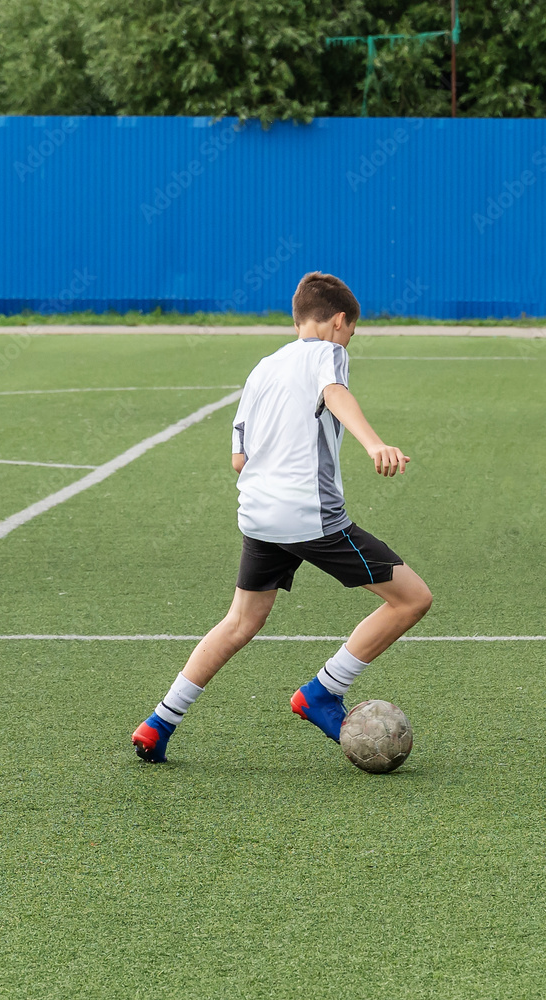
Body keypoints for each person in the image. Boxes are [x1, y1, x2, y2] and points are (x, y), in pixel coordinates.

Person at [131, 271, 432, 763]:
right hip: (310, 517)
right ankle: (321, 692)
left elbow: (238, 460)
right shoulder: (328, 353)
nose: (348, 339)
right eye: (350, 331)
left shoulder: (262, 369)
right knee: (412, 599)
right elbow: (334, 391)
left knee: (240, 621)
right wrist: (375, 443)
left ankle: (159, 721)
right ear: (338, 321)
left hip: (256, 515)